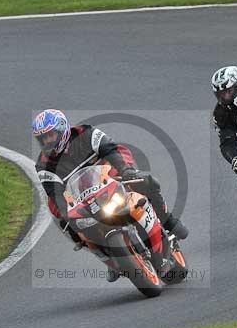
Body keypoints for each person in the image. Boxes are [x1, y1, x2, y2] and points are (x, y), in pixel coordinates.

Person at [32, 109, 188, 281]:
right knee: (65, 221)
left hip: (109, 175)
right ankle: (106, 257)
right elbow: (54, 193)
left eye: (51, 135)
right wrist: (67, 212)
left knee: (146, 181)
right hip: (79, 195)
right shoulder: (43, 165)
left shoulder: (87, 133)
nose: (48, 141)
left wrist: (125, 170)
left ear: (62, 130)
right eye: (43, 138)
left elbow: (111, 150)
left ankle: (168, 220)